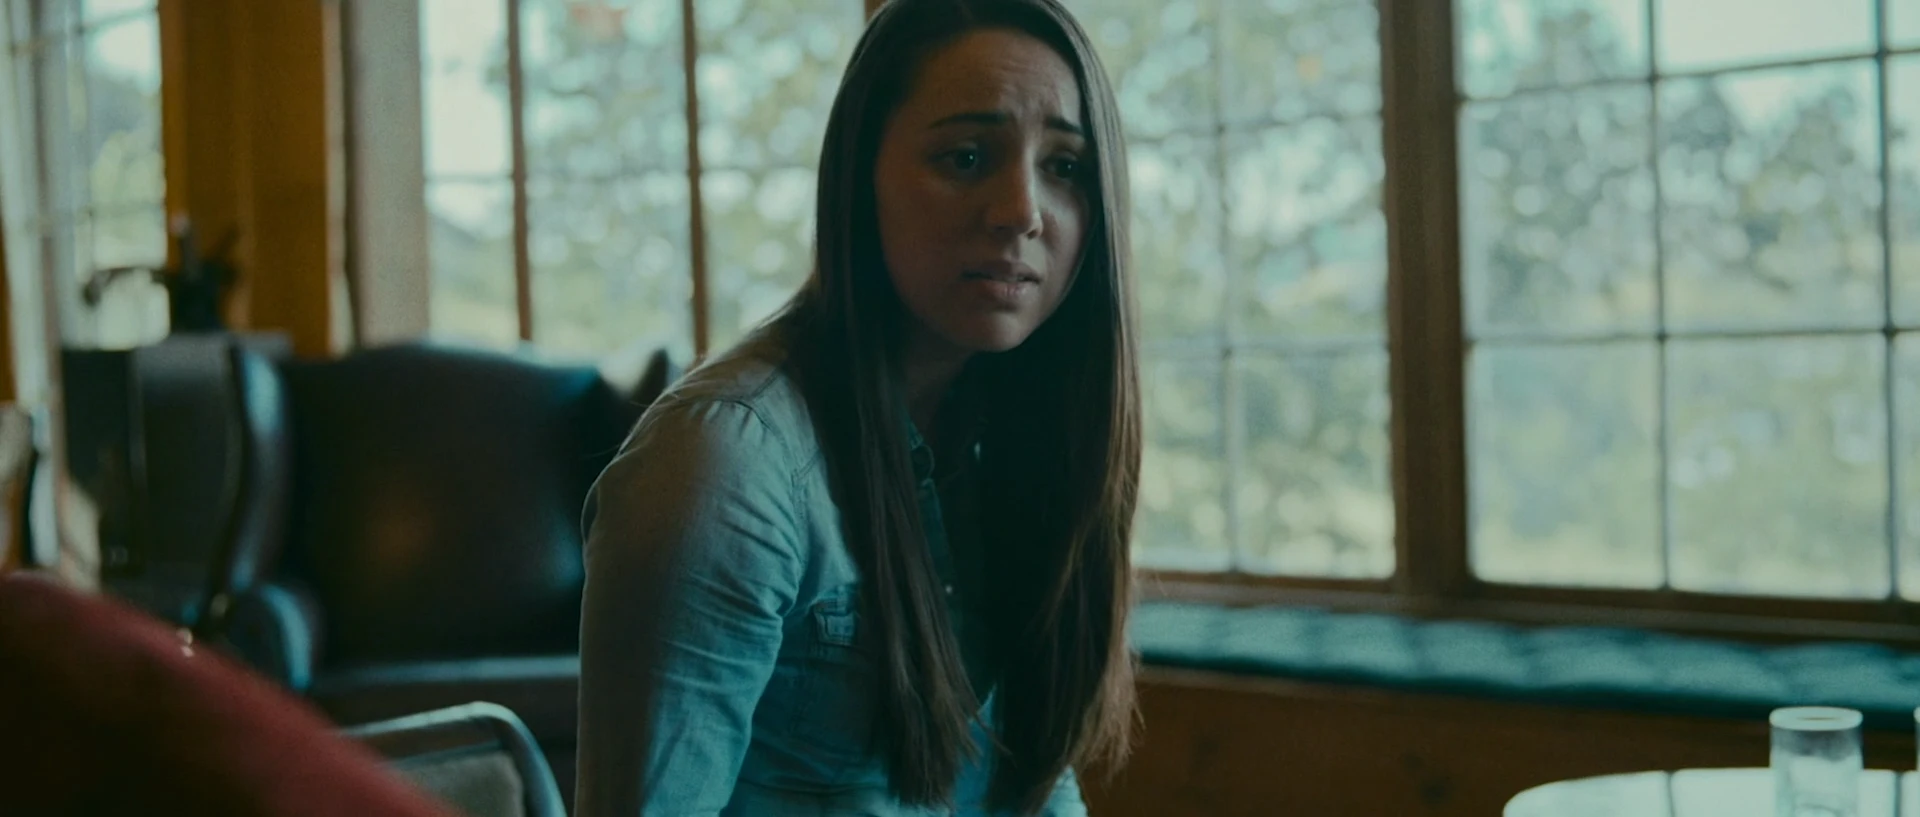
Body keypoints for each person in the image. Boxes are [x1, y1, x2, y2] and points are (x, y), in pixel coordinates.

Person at [574, 0, 1139, 813]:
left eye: (1065, 167)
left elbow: (1032, 786)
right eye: (966, 156)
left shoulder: (1024, 440)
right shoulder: (723, 468)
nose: (1022, 210)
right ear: (859, 176)